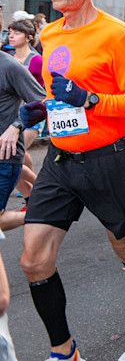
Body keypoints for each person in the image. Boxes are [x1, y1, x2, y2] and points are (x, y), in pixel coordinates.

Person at [19, 0, 125, 361]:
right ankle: (64, 354)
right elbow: (64, 93)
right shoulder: (50, 36)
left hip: (110, 158)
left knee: (124, 243)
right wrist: (43, 108)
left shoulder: (117, 35)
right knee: (32, 260)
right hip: (61, 160)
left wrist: (92, 99)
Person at [0, 42, 45, 231]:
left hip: (4, 156)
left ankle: (43, 214)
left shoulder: (10, 66)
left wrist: (17, 125)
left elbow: (42, 101)